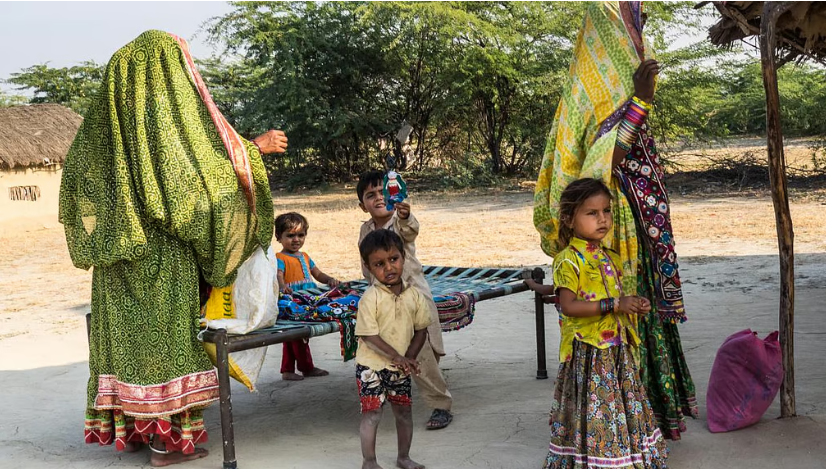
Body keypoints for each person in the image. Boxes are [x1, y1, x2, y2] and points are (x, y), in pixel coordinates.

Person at [59, 30, 288, 466]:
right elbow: (187, 196)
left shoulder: (103, 136)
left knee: (128, 344)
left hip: (114, 264)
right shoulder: (162, 129)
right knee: (167, 345)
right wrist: (252, 151)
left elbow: (79, 192)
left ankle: (139, 433)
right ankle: (169, 443)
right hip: (160, 263)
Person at [533, 1, 697, 439]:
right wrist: (640, 101)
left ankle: (645, 417)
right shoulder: (589, 88)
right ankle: (614, 424)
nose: (635, 33)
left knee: (641, 314)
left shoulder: (620, 81)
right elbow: (604, 161)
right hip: (617, 232)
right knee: (617, 318)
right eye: (629, 25)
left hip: (634, 226)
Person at [526, 178, 668, 468]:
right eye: (592, 213)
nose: (602, 219)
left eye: (606, 211)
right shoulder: (568, 260)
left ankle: (623, 454)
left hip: (615, 346)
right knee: (597, 407)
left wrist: (633, 303)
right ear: (568, 219)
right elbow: (568, 305)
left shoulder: (609, 256)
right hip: (589, 352)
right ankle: (599, 458)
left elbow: (613, 295)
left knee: (618, 404)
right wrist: (615, 304)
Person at [356, 170, 453, 430]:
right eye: (370, 195)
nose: (378, 198)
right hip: (385, 305)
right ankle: (388, 391)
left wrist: (406, 214)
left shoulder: (398, 222)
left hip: (414, 299)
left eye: (382, 192)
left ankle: (440, 405)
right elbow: (367, 269)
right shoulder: (365, 230)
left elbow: (410, 230)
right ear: (362, 204)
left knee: (424, 354)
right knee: (388, 351)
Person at [356, 229, 429, 469]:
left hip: (400, 366)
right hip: (371, 367)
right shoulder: (370, 297)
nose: (388, 268)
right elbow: (368, 335)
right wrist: (396, 355)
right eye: (379, 264)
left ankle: (403, 457)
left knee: (404, 413)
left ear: (403, 257)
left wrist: (410, 357)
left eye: (393, 259)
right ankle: (369, 462)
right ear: (368, 268)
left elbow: (421, 330)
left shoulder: (414, 296)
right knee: (372, 415)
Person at [274, 211, 337, 381]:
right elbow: (279, 274)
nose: (296, 240)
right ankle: (306, 367)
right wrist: (282, 287)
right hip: (292, 302)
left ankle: (287, 370)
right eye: (290, 235)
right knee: (299, 335)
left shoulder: (305, 257)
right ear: (278, 237)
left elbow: (318, 274)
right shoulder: (280, 257)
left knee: (292, 337)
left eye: (301, 235)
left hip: (306, 301)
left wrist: (330, 280)